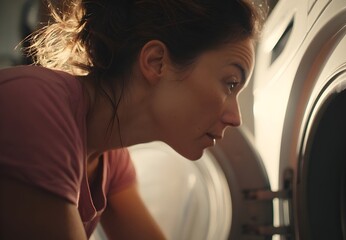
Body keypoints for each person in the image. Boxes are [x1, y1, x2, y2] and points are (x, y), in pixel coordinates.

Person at [0, 0, 267, 239]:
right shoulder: (35, 106)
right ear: (156, 62)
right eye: (230, 84)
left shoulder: (109, 158)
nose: (236, 119)